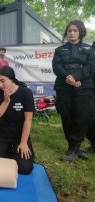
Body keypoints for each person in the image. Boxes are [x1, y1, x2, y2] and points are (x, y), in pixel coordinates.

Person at [52, 20, 95, 162]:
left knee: (81, 117)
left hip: (83, 87)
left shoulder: (89, 50)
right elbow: (56, 66)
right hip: (64, 87)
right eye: (69, 30)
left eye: (75, 30)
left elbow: (90, 67)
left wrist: (76, 78)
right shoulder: (59, 50)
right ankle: (73, 148)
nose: (71, 33)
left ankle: (74, 148)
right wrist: (68, 77)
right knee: (67, 117)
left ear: (80, 32)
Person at [0, 66, 35, 174]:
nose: (0, 85)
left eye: (3, 81)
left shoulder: (25, 93)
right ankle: (7, 149)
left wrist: (23, 143)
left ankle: (12, 150)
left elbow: (28, 119)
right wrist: (6, 101)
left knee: (24, 168)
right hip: (3, 134)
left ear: (11, 79)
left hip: (20, 135)